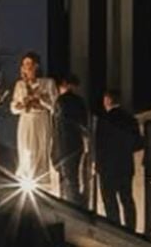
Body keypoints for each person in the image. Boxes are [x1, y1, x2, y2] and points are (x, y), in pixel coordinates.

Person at [95, 89, 143, 230]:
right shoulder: (130, 119)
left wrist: (97, 164)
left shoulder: (103, 120)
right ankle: (131, 228)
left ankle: (114, 227)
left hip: (107, 166)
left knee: (110, 199)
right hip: (125, 164)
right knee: (127, 198)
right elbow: (138, 143)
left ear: (108, 100)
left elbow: (99, 145)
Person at [11, 52, 57, 189]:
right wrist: (22, 104)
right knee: (26, 150)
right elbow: (13, 107)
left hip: (41, 120)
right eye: (24, 64)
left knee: (41, 149)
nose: (27, 67)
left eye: (29, 63)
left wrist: (40, 99)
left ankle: (42, 183)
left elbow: (54, 105)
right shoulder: (20, 85)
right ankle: (25, 179)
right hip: (26, 120)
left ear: (36, 65)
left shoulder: (48, 83)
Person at [51, 74, 89, 206]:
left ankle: (71, 205)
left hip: (63, 146)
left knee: (67, 179)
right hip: (76, 145)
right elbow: (84, 123)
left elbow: (57, 127)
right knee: (73, 178)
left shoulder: (61, 101)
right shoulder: (79, 102)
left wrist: (54, 150)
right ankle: (74, 203)